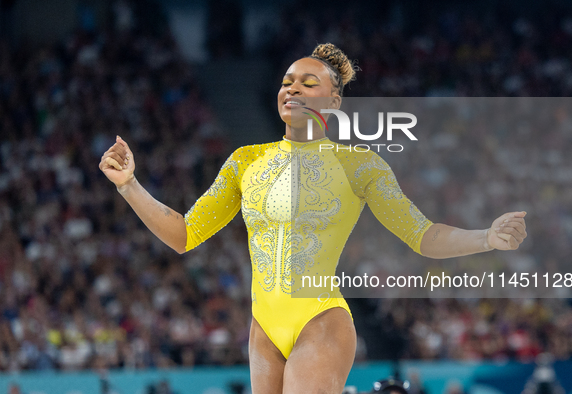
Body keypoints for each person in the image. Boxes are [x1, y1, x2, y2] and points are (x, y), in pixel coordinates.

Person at [99, 43, 527, 393]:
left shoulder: (359, 164)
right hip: (263, 326)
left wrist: (487, 237)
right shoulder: (246, 161)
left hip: (320, 320)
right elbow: (183, 234)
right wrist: (128, 185)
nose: (293, 90)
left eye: (308, 83)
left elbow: (423, 235)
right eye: (286, 83)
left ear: (334, 100)